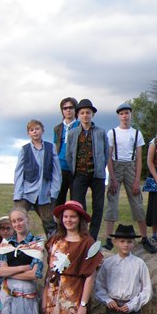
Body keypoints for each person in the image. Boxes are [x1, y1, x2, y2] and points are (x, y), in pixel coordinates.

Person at [104, 103, 157, 254]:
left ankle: (144, 238)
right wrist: (112, 177)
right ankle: (108, 239)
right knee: (112, 203)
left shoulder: (137, 133)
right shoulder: (112, 133)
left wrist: (136, 180)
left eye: (127, 113)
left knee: (137, 203)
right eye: (121, 114)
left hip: (131, 167)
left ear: (131, 114)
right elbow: (108, 156)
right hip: (116, 166)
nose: (124, 116)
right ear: (118, 116)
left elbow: (139, 158)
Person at [66, 98, 110, 241]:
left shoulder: (100, 132)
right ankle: (81, 235)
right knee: (77, 206)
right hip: (79, 173)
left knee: (98, 207)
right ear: (78, 115)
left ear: (92, 114)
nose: (85, 115)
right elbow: (69, 154)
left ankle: (92, 237)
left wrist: (100, 168)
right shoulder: (72, 133)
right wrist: (74, 169)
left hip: (97, 175)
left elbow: (106, 153)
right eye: (82, 113)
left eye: (88, 112)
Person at [13, 119, 62, 237]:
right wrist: (18, 193)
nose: (35, 132)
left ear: (42, 131)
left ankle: (54, 244)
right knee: (17, 219)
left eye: (37, 129)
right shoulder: (24, 149)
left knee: (49, 222)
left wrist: (54, 191)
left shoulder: (50, 147)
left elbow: (56, 171)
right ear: (28, 133)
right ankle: (13, 244)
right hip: (26, 192)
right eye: (31, 130)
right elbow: (19, 172)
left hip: (45, 193)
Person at [53, 97, 80, 207]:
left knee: (76, 201)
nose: (68, 110)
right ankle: (58, 219)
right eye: (65, 108)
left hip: (76, 168)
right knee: (58, 200)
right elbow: (56, 147)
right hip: (60, 167)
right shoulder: (57, 128)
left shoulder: (81, 126)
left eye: (71, 107)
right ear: (62, 111)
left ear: (75, 109)